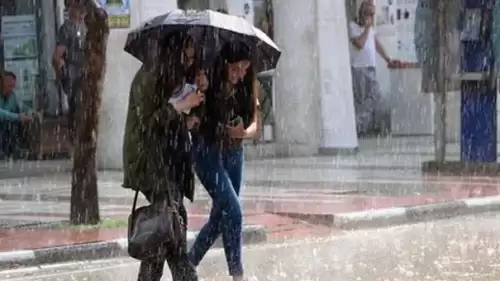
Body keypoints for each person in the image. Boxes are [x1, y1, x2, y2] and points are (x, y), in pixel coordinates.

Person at [122, 34, 205, 281]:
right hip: (152, 162)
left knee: (166, 235)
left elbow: (167, 120)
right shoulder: (149, 76)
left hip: (169, 161)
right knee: (171, 231)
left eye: (193, 59)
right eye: (186, 58)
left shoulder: (171, 76)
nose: (189, 64)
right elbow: (149, 124)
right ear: (173, 53)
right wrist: (178, 108)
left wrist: (188, 117)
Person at [188, 42, 260, 281]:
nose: (240, 75)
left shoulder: (248, 84)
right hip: (206, 153)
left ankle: (188, 265)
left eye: (245, 69)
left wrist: (243, 133)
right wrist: (201, 91)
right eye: (235, 69)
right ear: (225, 64)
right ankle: (238, 275)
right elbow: (195, 118)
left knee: (221, 218)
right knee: (234, 212)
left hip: (234, 153)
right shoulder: (207, 79)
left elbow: (255, 124)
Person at [348, 0, 394, 136]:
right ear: (361, 13)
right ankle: (358, 126)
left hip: (370, 68)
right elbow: (360, 44)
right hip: (359, 68)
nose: (370, 17)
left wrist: (387, 58)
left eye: (372, 15)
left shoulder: (371, 30)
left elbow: (376, 43)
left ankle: (359, 125)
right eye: (368, 14)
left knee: (373, 96)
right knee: (363, 99)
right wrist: (367, 29)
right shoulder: (353, 27)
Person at [52, 0, 87, 145]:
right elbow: (56, 57)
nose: (79, 6)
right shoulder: (66, 28)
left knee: (86, 112)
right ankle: (76, 146)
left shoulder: (86, 27)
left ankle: (84, 145)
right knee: (77, 113)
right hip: (74, 77)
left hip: (87, 76)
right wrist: (63, 78)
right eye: (75, 3)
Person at [0, 71, 40, 159]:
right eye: (9, 86)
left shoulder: (12, 96)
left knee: (19, 126)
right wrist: (18, 117)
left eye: (13, 85)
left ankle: (25, 152)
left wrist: (33, 113)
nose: (12, 88)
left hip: (6, 132)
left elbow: (22, 106)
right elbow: (2, 114)